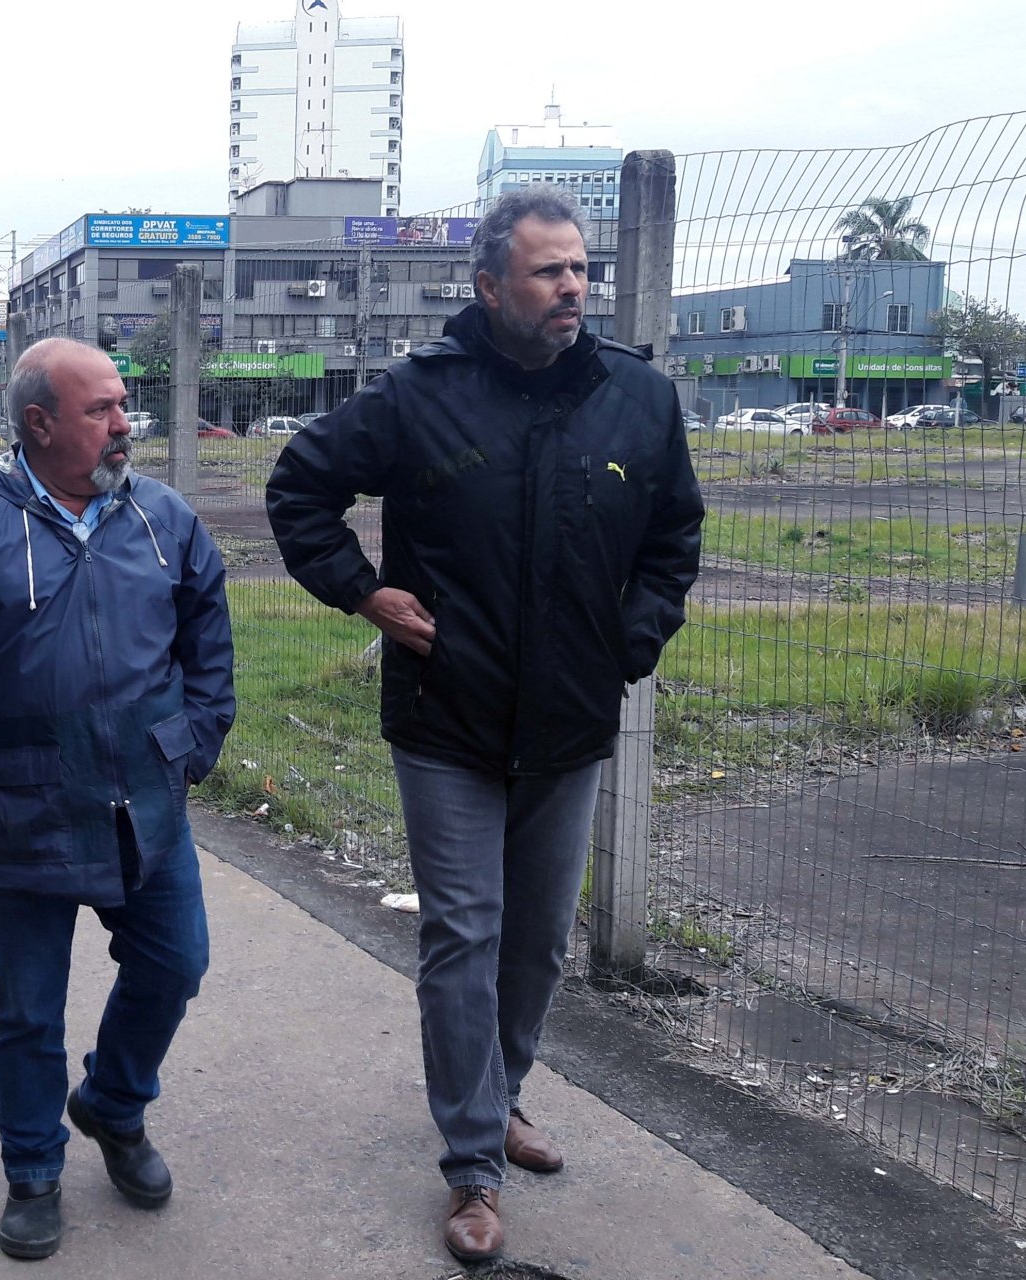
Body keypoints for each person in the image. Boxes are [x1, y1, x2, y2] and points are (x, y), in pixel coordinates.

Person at [265, 186, 704, 1263]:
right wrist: (364, 591)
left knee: (538, 941)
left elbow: (673, 536)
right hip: (446, 714)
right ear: (491, 284)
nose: (572, 288)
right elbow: (300, 487)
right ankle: (472, 1165)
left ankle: (499, 1093)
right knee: (463, 931)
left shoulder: (637, 399)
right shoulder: (422, 397)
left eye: (581, 270)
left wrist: (625, 644)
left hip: (568, 719)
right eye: (549, 271)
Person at [0, 337, 236, 1261]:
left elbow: (209, 637)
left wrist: (192, 742)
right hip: (25, 802)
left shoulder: (161, 519)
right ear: (39, 424)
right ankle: (33, 1172)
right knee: (29, 1009)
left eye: (125, 406)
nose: (125, 426)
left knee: (176, 962)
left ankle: (114, 1106)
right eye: (100, 411)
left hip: (143, 803)